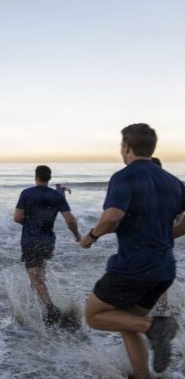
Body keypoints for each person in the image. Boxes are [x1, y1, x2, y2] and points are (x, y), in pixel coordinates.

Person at [80, 124, 185, 378]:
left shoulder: (124, 176)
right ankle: (142, 375)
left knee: (94, 316)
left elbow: (112, 216)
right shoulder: (173, 181)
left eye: (121, 146)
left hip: (133, 267)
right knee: (127, 322)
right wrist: (167, 234)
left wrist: (91, 237)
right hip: (164, 269)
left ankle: (155, 327)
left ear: (126, 147)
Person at [13, 165, 80, 325]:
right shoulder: (56, 196)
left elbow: (17, 217)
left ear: (36, 176)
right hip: (48, 240)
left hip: (30, 240)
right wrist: (76, 235)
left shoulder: (26, 193)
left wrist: (29, 223)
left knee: (34, 276)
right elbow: (70, 220)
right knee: (38, 274)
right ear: (49, 178)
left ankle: (50, 309)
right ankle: (41, 307)